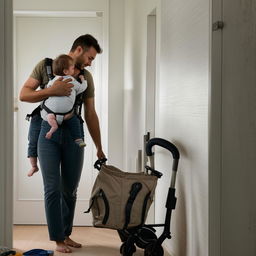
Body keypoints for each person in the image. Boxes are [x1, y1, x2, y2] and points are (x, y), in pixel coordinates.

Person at [19, 34, 106, 253]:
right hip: (47, 129)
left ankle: (66, 235)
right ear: (79, 49)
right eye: (90, 57)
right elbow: (24, 94)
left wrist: (98, 147)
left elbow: (91, 113)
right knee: (52, 188)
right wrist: (51, 91)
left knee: (70, 189)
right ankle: (57, 239)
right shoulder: (46, 66)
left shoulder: (86, 77)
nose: (90, 63)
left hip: (74, 131)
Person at [27, 54, 87, 177]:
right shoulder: (72, 80)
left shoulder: (52, 81)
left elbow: (47, 88)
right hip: (61, 117)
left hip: (51, 116)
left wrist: (51, 89)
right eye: (72, 68)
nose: (73, 70)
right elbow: (82, 88)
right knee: (74, 122)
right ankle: (77, 138)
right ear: (66, 70)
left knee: (60, 120)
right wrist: (83, 80)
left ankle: (54, 130)